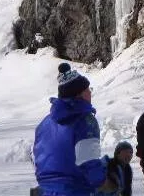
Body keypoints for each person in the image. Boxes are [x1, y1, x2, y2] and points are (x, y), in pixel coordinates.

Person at [33, 63, 106, 196]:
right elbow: (88, 159)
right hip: (75, 189)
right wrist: (104, 180)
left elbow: (38, 159)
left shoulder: (44, 124)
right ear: (79, 95)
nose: (90, 93)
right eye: (87, 90)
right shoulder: (85, 120)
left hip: (46, 190)